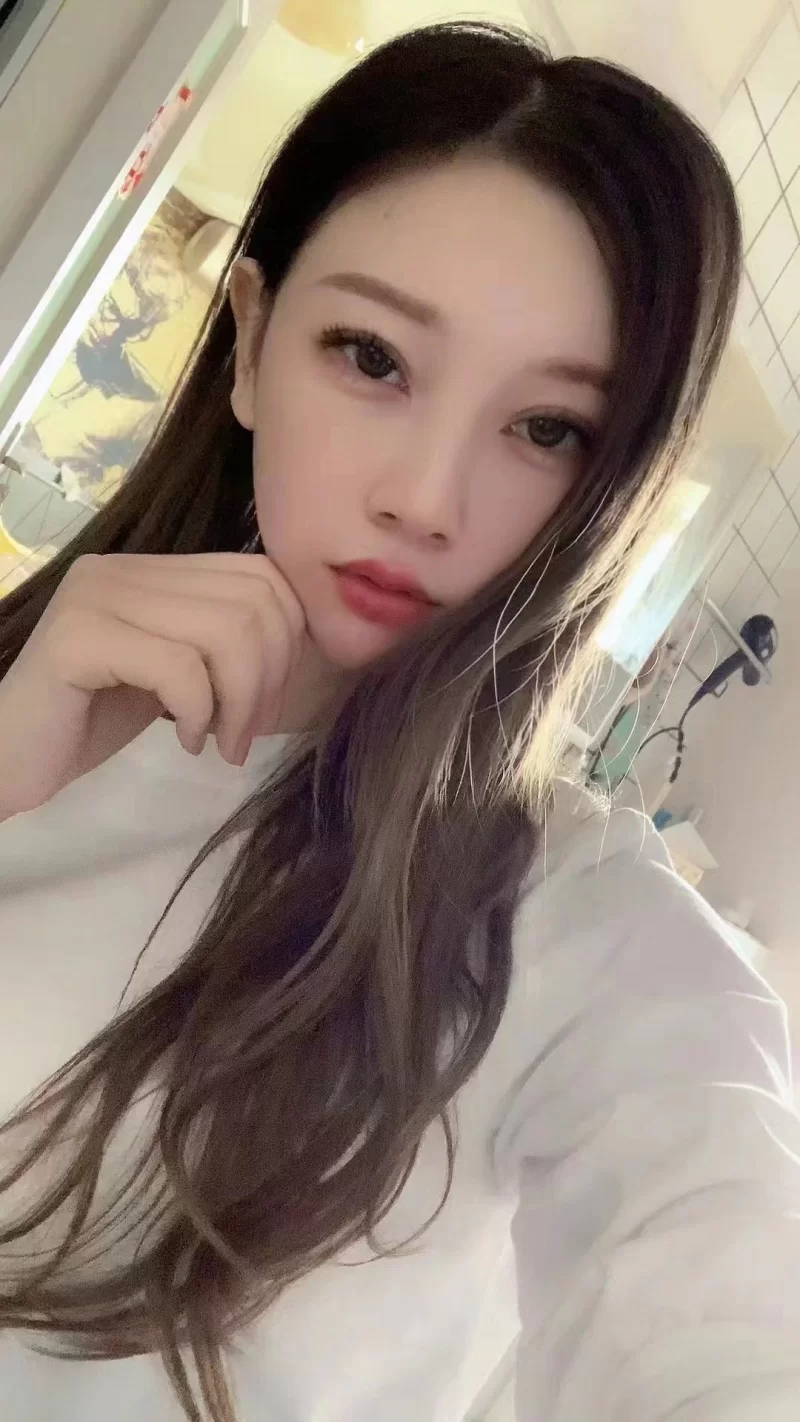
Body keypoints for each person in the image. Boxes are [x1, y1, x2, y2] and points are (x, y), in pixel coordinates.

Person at [0, 20, 797, 1422]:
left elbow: (720, 1309)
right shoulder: (30, 683)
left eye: (547, 429)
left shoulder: (575, 924)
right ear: (251, 343)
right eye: (372, 356)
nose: (425, 498)